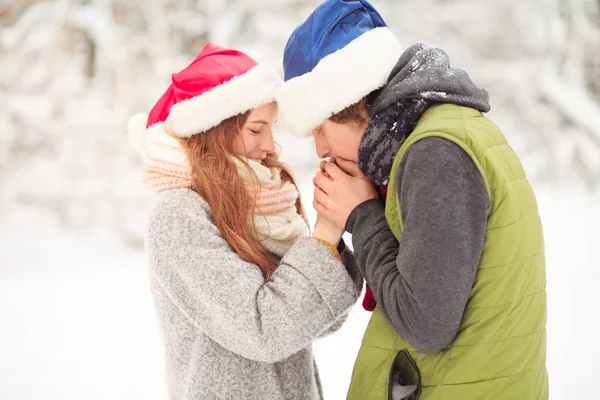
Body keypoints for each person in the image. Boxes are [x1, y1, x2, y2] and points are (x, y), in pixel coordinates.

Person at [276, 0, 548, 399]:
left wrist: (363, 216)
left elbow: (424, 322)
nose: (319, 149)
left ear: (349, 104)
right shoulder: (444, 131)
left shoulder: (434, 153)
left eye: (320, 129)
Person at [127, 43, 362, 400]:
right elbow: (264, 330)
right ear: (214, 129)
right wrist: (326, 232)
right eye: (256, 130)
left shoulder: (267, 202)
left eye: (272, 128)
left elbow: (323, 321)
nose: (270, 145)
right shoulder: (179, 215)